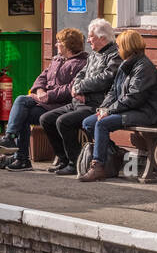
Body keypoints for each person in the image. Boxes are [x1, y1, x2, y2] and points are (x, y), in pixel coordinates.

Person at [0, 27, 89, 171]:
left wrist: (46, 96)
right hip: (45, 103)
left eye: (59, 42)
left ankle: (15, 147)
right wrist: (40, 91)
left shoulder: (81, 64)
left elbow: (71, 88)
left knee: (21, 102)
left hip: (61, 106)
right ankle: (20, 156)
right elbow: (41, 77)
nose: (56, 45)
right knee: (22, 110)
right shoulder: (57, 60)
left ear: (68, 45)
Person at [79, 29, 157, 182]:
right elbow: (113, 91)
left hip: (145, 112)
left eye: (119, 46)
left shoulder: (144, 67)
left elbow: (134, 97)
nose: (117, 49)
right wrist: (103, 108)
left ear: (128, 47)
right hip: (129, 109)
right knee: (89, 122)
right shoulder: (125, 65)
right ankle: (116, 153)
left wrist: (110, 111)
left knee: (102, 124)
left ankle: (98, 166)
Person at [37, 19, 121, 175]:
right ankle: (63, 158)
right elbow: (81, 74)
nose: (88, 40)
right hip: (79, 102)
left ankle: (74, 162)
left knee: (64, 122)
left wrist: (80, 87)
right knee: (46, 119)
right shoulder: (94, 54)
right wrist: (76, 86)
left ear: (102, 38)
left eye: (91, 37)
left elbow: (106, 79)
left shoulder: (114, 55)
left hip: (96, 104)